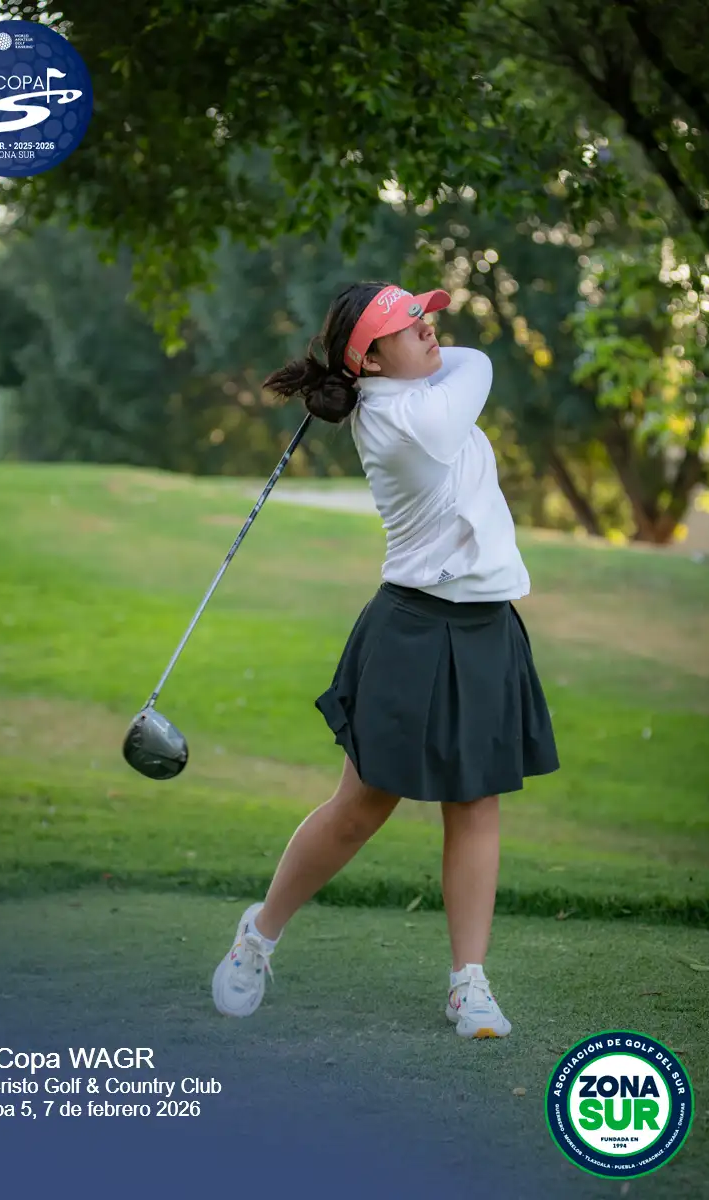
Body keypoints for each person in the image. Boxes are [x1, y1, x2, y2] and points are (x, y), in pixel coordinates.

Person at [212, 281, 559, 1038]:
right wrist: (386, 366)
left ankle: (469, 983)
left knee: (477, 803)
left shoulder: (412, 393)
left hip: (487, 625)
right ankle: (258, 935)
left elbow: (454, 361)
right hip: (414, 628)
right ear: (368, 360)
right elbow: (478, 363)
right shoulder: (408, 419)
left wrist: (385, 354)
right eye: (409, 324)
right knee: (362, 808)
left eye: (426, 316)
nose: (430, 329)